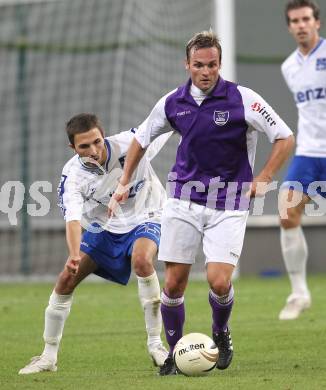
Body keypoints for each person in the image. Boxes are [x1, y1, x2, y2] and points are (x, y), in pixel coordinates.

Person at [108, 30, 294, 375]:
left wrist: (264, 177)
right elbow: (141, 139)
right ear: (187, 64)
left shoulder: (243, 99)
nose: (206, 71)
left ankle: (220, 331)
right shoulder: (172, 102)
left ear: (220, 64)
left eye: (212, 65)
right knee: (174, 284)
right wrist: (122, 182)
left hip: (229, 203)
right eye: (198, 65)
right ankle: (175, 355)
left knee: (219, 282)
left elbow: (284, 136)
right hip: (182, 201)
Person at [19, 113, 169, 374]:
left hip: (147, 214)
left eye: (97, 142)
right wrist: (74, 254)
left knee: (142, 260)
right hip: (105, 226)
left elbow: (167, 122)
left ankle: (156, 345)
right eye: (84, 146)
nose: (94, 150)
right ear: (72, 148)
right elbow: (73, 220)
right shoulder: (73, 176)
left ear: (103, 134)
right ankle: (48, 356)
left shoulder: (130, 142)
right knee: (66, 279)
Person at [278, 0, 326, 320]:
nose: (301, 25)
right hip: (309, 152)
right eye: (294, 21)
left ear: (317, 22)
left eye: (306, 19)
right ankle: (299, 293)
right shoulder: (289, 67)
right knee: (286, 212)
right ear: (289, 27)